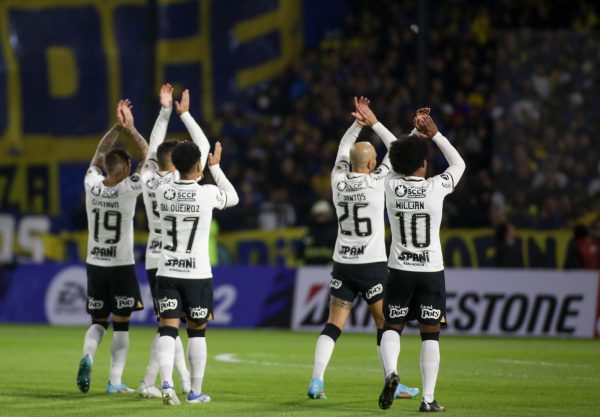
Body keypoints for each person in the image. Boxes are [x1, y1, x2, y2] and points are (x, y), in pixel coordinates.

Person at [306, 98, 419, 401]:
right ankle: (392, 378)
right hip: (372, 266)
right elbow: (398, 149)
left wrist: (357, 123)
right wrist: (375, 121)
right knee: (386, 324)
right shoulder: (378, 181)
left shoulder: (337, 180)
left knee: (333, 324)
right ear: (372, 164)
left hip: (343, 263)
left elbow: (344, 149)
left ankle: (316, 381)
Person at [378, 111, 465, 412]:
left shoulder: (389, 185)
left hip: (400, 270)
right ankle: (428, 400)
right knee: (431, 333)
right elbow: (458, 164)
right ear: (425, 165)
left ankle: (391, 374)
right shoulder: (435, 188)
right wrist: (434, 133)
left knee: (392, 326)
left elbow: (394, 154)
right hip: (430, 271)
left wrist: (413, 135)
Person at [138, 85, 211, 398]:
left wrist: (164, 112)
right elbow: (203, 147)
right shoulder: (187, 183)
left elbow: (152, 149)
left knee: (167, 325)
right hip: (188, 263)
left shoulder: (152, 181)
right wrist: (184, 114)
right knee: (178, 327)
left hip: (157, 258)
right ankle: (172, 383)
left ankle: (166, 381)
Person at [155, 140, 239, 405]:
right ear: (199, 165)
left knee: (167, 329)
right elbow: (233, 197)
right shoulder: (207, 193)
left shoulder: (162, 191)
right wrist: (216, 168)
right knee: (197, 332)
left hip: (167, 271)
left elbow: (163, 168)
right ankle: (195, 391)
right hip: (197, 275)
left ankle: (167, 384)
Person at [76, 100, 148, 394]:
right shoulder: (130, 188)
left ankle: (87, 356)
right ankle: (115, 382)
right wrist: (130, 128)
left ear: (106, 168)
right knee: (122, 324)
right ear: (127, 168)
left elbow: (99, 153)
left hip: (95, 264)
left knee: (98, 321)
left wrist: (116, 127)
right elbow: (150, 155)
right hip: (121, 266)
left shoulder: (91, 184)